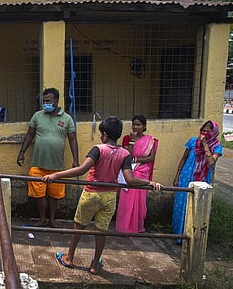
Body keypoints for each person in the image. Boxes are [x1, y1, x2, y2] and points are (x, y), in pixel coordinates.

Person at [42, 116, 162, 274]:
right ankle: (94, 264)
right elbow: (130, 179)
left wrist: (56, 175)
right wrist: (149, 183)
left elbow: (81, 170)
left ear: (104, 135)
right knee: (101, 230)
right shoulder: (125, 153)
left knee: (79, 225)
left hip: (91, 193)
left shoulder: (98, 149)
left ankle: (69, 257)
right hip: (109, 197)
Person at [17, 87, 79, 228]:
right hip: (38, 164)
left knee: (54, 195)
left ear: (56, 101)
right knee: (39, 195)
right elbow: (29, 135)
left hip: (57, 167)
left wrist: (76, 161)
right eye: (44, 101)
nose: (46, 103)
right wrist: (22, 152)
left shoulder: (67, 119)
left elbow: (73, 140)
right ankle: (42, 219)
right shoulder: (37, 116)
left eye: (48, 101)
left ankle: (52, 219)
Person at [172, 120, 222, 243]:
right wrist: (177, 176)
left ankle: (193, 238)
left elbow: (211, 163)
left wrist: (205, 144)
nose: (204, 133)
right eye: (203, 130)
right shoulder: (193, 142)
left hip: (202, 180)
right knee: (181, 204)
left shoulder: (217, 147)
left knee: (197, 207)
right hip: (185, 177)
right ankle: (178, 236)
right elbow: (183, 159)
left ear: (214, 132)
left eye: (208, 131)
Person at [115, 115, 158, 233]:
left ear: (144, 126)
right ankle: (125, 226)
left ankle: (138, 226)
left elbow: (151, 157)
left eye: (138, 125)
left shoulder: (150, 140)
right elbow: (127, 155)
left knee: (140, 201)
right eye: (134, 124)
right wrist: (132, 141)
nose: (135, 127)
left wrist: (136, 160)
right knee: (127, 201)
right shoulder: (126, 138)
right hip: (129, 173)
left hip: (142, 172)